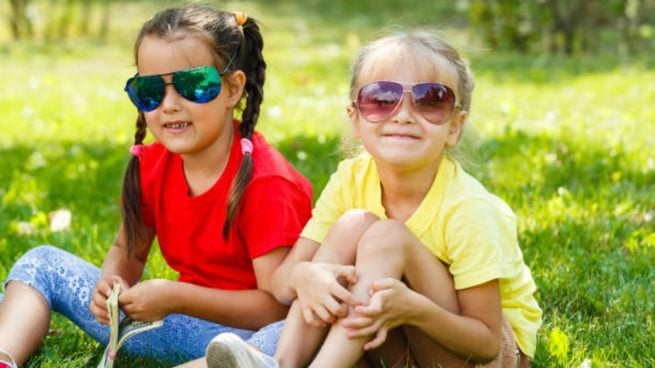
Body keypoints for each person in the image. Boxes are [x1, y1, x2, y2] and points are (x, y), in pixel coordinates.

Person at [200, 30, 543, 368]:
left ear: (455, 126)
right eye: (381, 98)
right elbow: (281, 281)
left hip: (482, 355)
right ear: (356, 121)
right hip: (395, 339)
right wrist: (305, 275)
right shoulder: (352, 178)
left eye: (431, 99)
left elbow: (484, 344)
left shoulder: (469, 209)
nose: (404, 114)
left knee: (387, 236)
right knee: (354, 224)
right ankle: (280, 363)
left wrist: (415, 309)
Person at [0, 5, 313, 367]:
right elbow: (127, 249)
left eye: (193, 85)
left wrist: (177, 297)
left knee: (281, 337)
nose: (169, 105)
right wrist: (111, 285)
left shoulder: (267, 183)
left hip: (246, 335)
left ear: (232, 89)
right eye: (150, 90)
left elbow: (275, 305)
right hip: (168, 322)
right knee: (41, 263)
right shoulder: (152, 165)